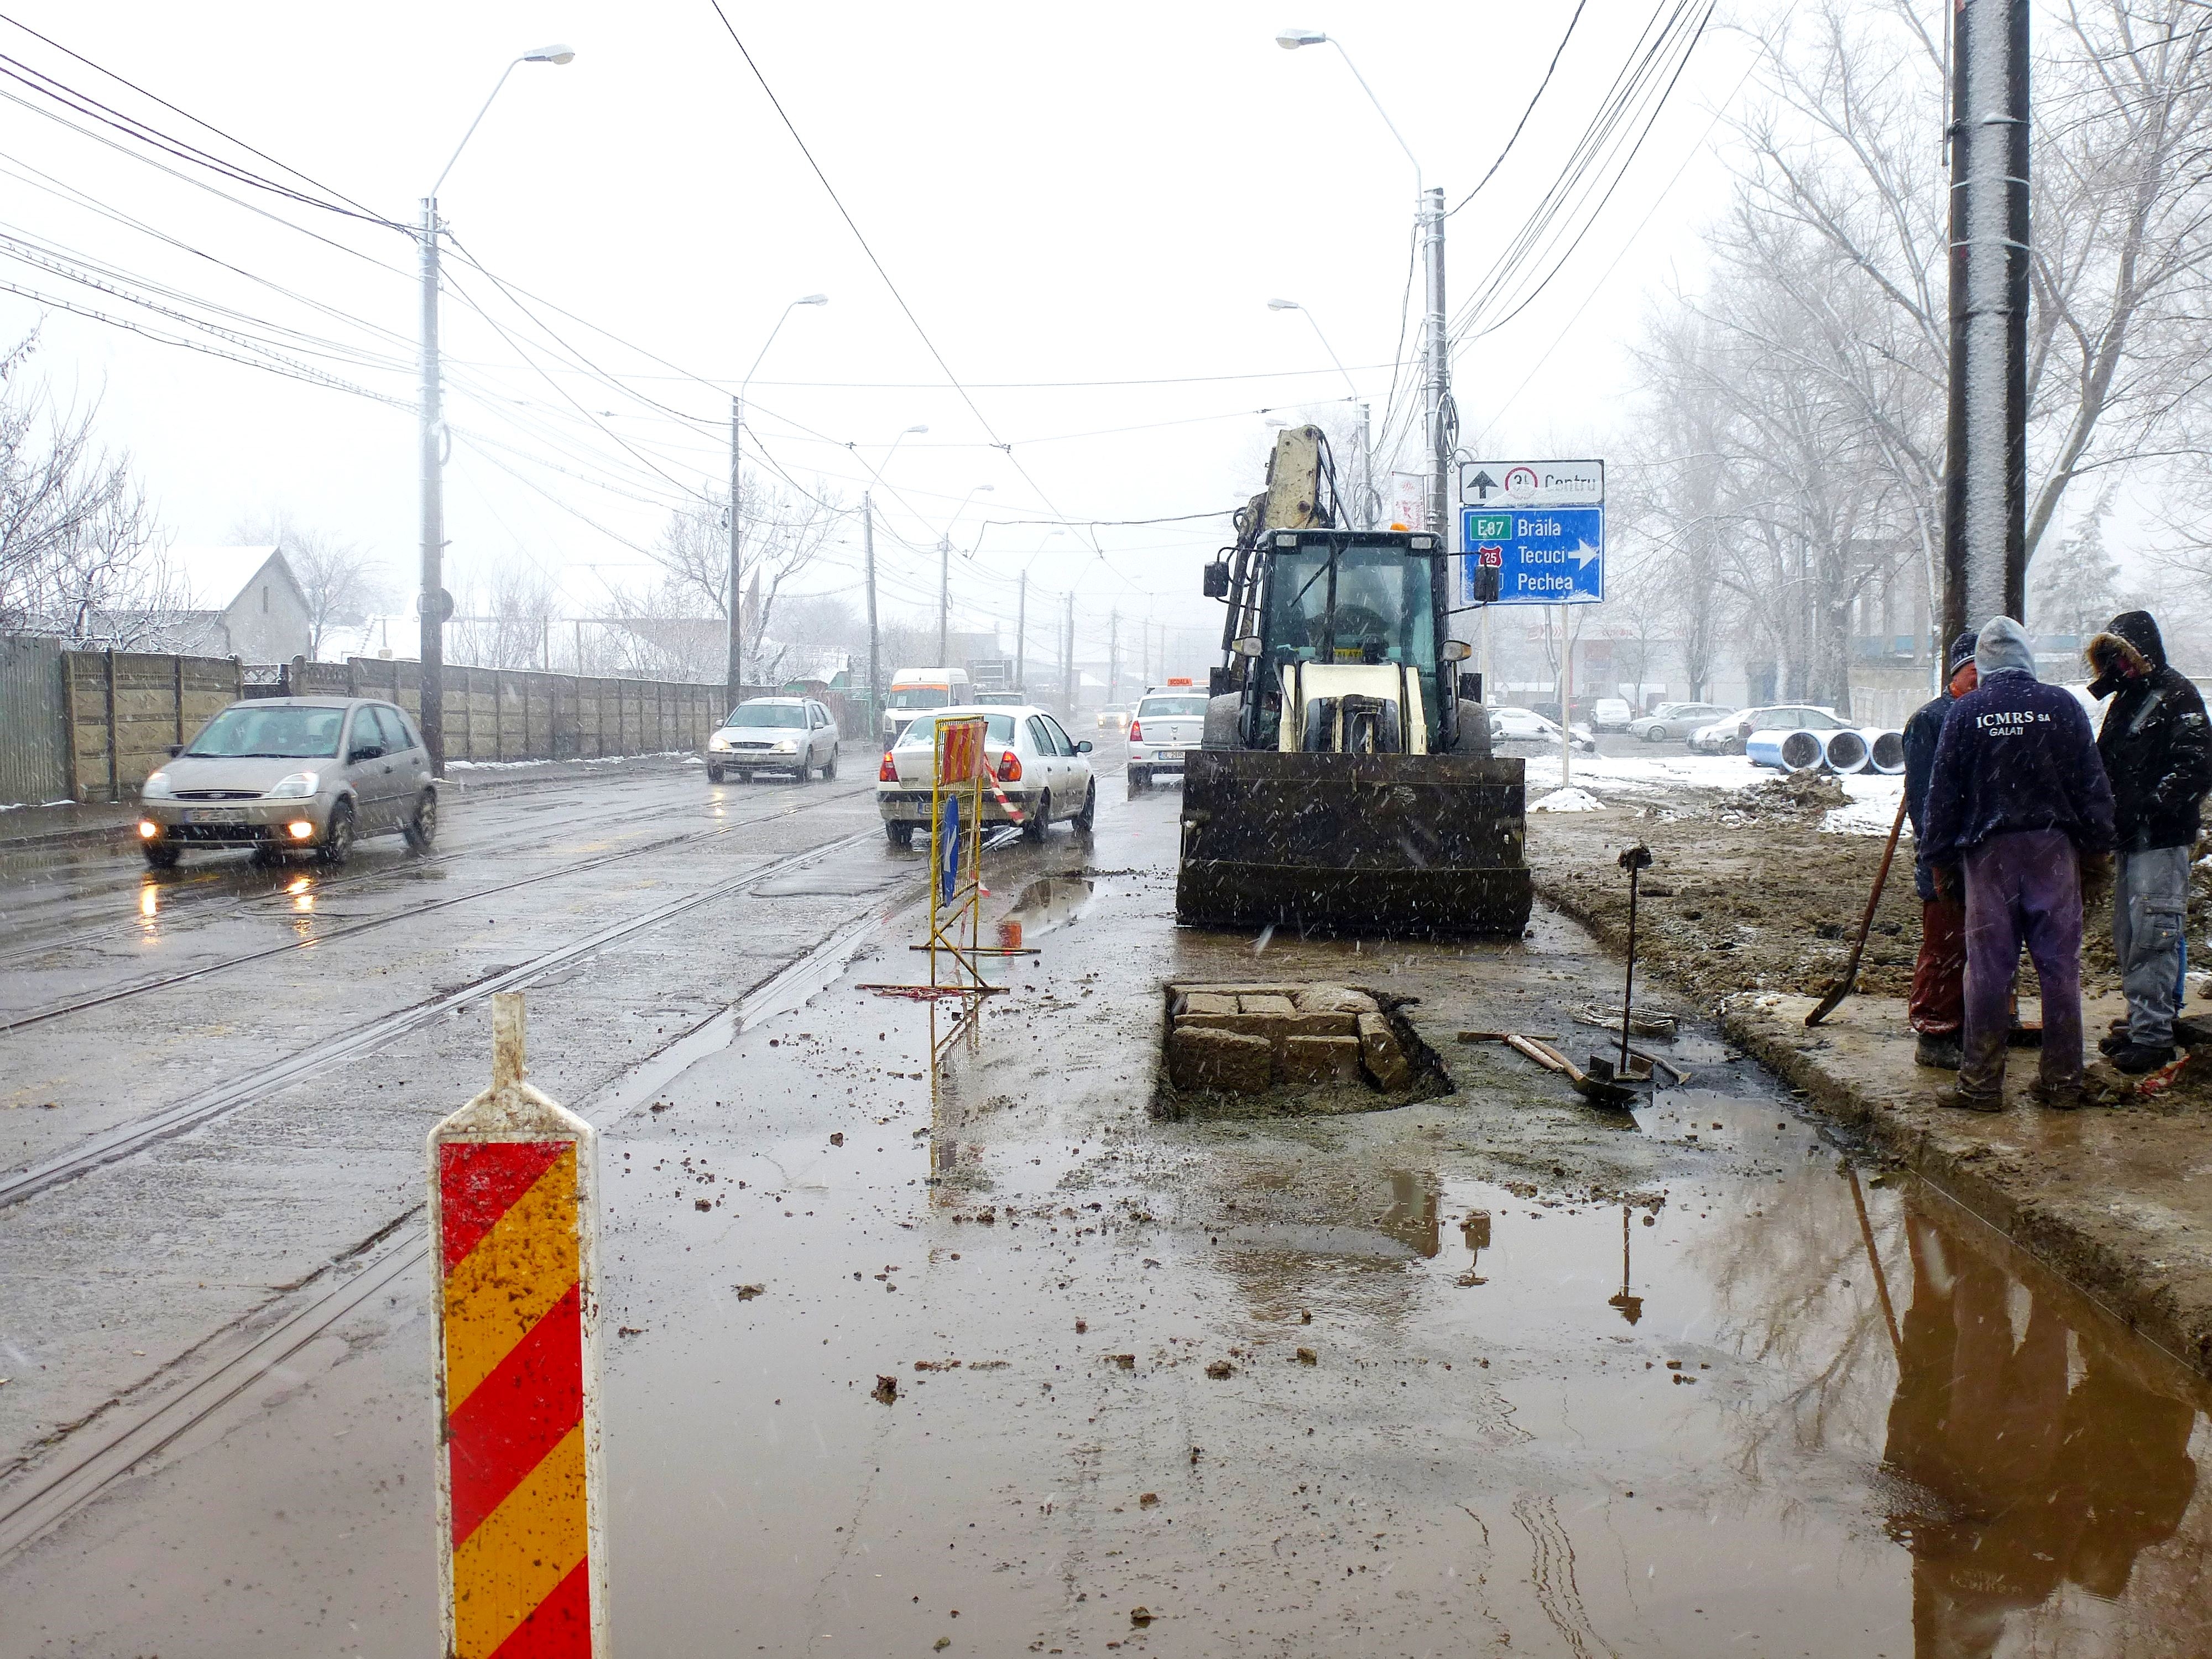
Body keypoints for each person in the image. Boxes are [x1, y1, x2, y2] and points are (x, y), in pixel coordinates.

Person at [1922, 617, 2116, 1109]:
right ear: (2028, 659)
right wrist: (2096, 848)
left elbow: (1942, 796)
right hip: (2054, 851)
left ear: (1982, 664)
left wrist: (1939, 860)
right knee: (2059, 971)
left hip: (1990, 856)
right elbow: (2093, 785)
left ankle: (1981, 1085)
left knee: (1987, 971)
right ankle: (2062, 1083)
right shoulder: (2062, 706)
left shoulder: (1967, 713)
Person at [2084, 610, 2212, 1072]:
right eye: (2113, 659)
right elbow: (2105, 763)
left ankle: (2154, 1035)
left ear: (2143, 652)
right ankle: (2144, 1023)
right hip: (2132, 839)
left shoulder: (2177, 696)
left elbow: (2196, 766)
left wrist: (2148, 808)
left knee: (2154, 933)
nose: (2121, 666)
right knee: (2130, 934)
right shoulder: (2129, 700)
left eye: (2125, 656)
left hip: (2159, 839)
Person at [1903, 632, 1979, 1068]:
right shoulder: (1931, 720)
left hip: (1982, 850)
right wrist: (1936, 849)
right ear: (1957, 674)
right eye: (1974, 673)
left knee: (1983, 944)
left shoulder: (1981, 713)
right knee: (1945, 944)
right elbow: (1923, 796)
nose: (1981, 681)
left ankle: (1974, 1024)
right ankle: (1934, 1032)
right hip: (1944, 852)